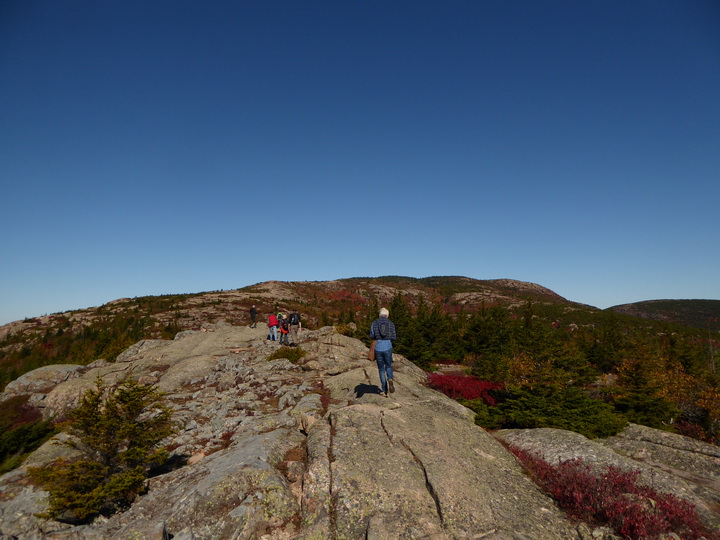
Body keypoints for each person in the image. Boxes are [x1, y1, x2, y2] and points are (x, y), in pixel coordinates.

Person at [369, 307, 396, 396]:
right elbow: (393, 337)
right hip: (388, 347)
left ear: (379, 315)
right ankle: (390, 379)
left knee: (381, 369)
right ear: (387, 315)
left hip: (378, 348)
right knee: (388, 366)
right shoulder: (391, 323)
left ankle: (384, 390)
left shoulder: (374, 323)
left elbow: (372, 336)